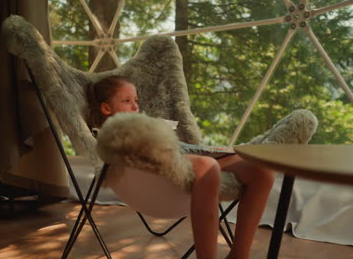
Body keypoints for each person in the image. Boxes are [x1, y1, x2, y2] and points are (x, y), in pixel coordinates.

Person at [86, 75, 275, 259]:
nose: (135, 106)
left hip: (182, 155)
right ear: (106, 108)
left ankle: (239, 255)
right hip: (159, 175)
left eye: (136, 99)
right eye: (127, 101)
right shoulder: (109, 135)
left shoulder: (144, 124)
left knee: (263, 171)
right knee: (208, 166)